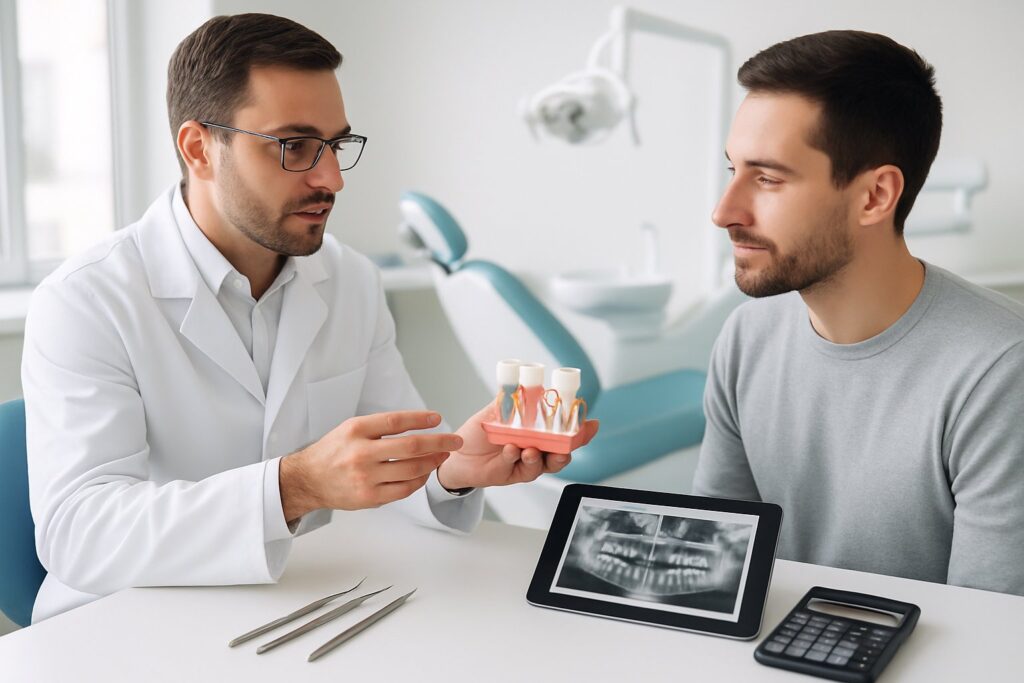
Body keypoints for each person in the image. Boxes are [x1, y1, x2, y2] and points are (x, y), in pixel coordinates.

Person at [20, 13, 597, 622]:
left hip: (296, 604)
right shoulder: (87, 299)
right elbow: (78, 533)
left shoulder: (350, 280)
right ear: (199, 149)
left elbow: (384, 464)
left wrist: (453, 467)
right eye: (294, 147)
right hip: (122, 623)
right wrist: (293, 486)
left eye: (336, 145)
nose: (332, 179)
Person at [692, 30, 1024, 596]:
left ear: (875, 196)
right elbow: (713, 563)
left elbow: (993, 631)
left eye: (768, 178)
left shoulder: (1000, 372)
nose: (724, 212)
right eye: (733, 171)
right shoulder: (746, 337)